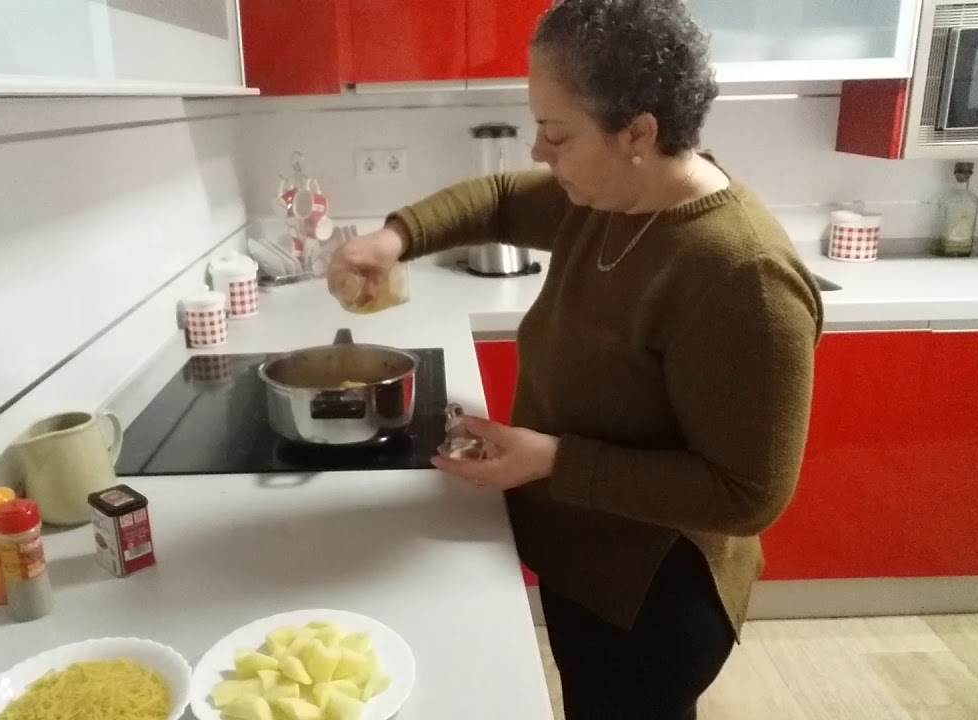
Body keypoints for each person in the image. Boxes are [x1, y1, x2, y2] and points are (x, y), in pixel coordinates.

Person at [326, 0, 823, 718]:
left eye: (555, 133)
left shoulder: (740, 274)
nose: (538, 151)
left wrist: (552, 459)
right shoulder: (612, 196)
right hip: (580, 560)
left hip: (648, 601)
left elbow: (749, 494)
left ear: (638, 132)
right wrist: (393, 239)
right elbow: (497, 198)